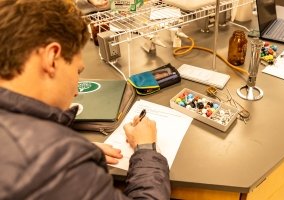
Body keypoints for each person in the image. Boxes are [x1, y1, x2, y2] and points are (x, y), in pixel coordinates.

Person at [0, 0, 170, 199]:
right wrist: (146, 148)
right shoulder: (55, 160)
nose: (75, 91)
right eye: (77, 71)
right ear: (52, 57)